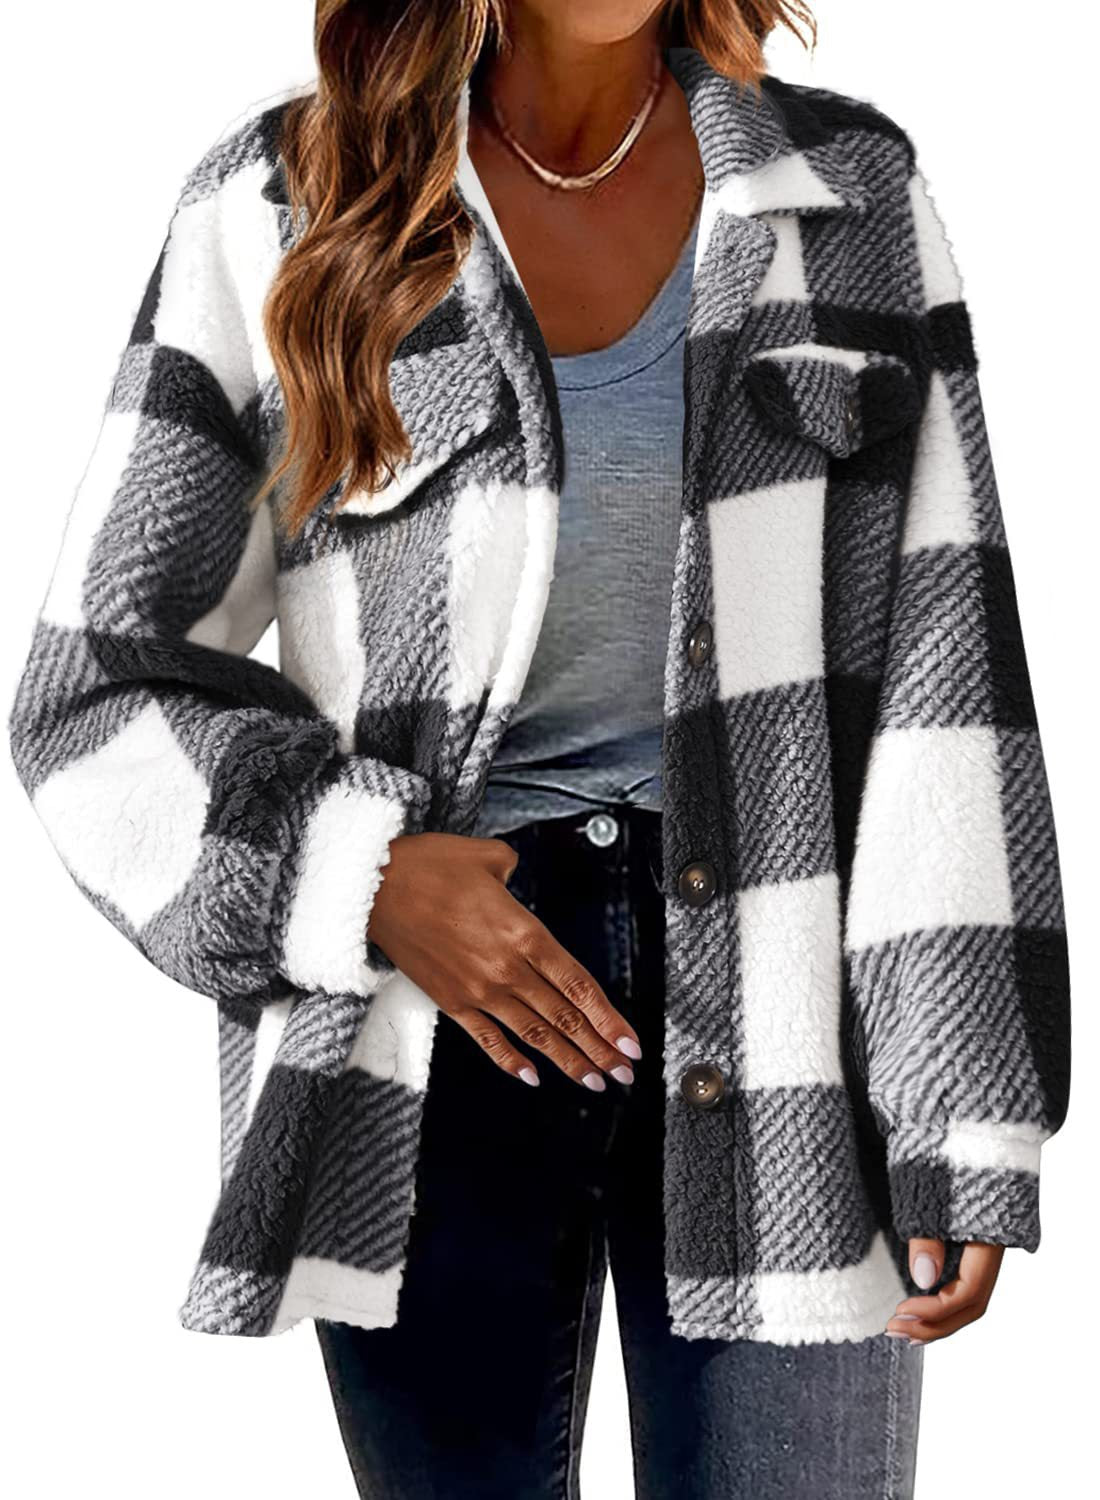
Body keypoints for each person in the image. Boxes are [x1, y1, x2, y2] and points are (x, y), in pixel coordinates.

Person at [8, 2, 1071, 1497]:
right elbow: (92, 684)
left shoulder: (848, 197)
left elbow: (946, 677)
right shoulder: (284, 201)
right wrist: (362, 879)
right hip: (433, 1028)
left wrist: (960, 1110)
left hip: (792, 1023)